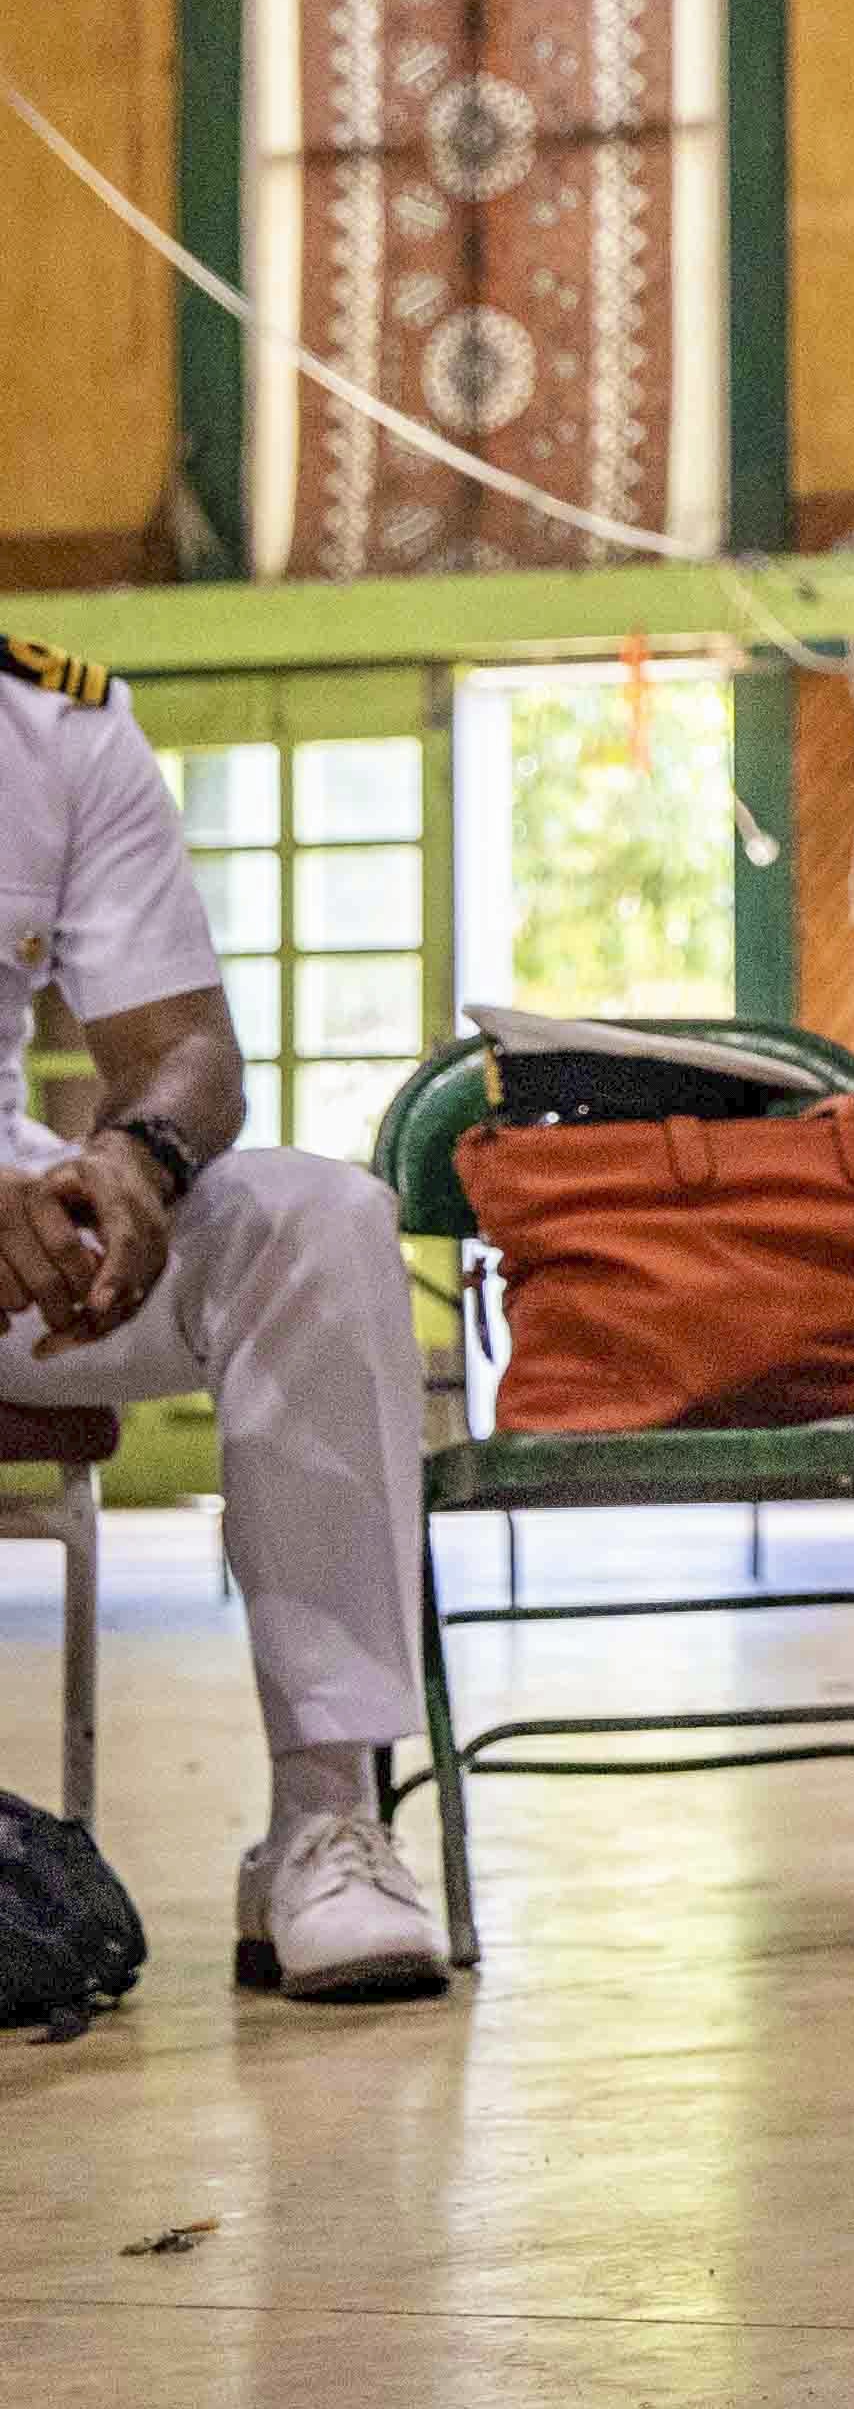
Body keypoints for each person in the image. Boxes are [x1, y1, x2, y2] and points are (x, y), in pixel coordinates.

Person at [0, 634, 447, 2004]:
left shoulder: (52, 729)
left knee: (315, 1218)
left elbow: (184, 1043)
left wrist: (130, 1164)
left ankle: (327, 1815)